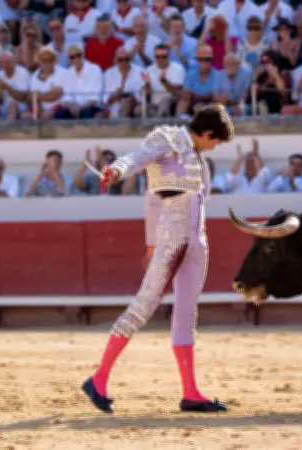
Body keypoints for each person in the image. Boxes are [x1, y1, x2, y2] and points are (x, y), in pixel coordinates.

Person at [81, 104, 235, 414]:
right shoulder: (166, 139)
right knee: (144, 305)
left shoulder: (198, 158)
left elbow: (155, 201)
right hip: (173, 238)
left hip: (197, 242)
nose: (214, 147)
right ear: (206, 133)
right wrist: (117, 170)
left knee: (186, 314)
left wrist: (152, 242)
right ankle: (98, 379)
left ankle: (191, 392)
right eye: (215, 141)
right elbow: (136, 159)